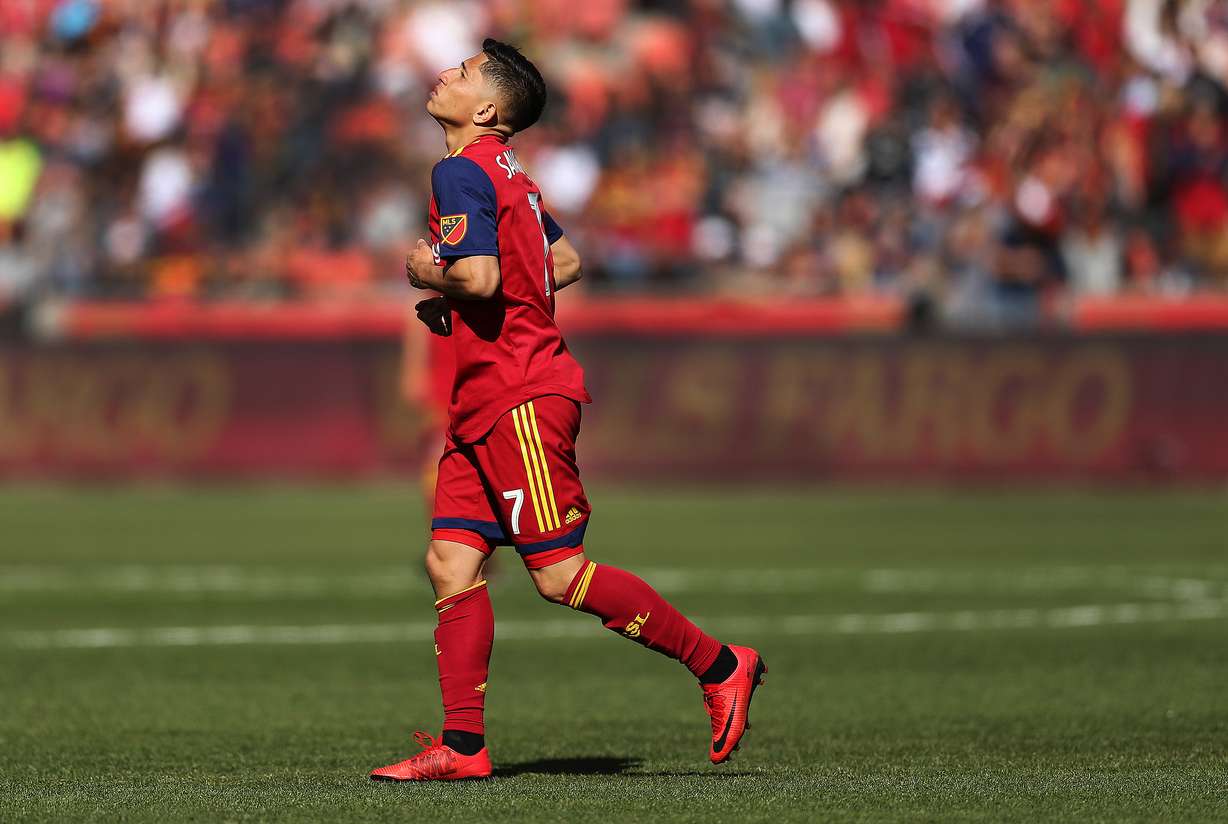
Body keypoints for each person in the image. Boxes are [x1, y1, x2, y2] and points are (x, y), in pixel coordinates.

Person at [370, 39, 765, 783]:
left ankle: (719, 665)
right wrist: (463, 307)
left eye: (460, 74)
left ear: (485, 109)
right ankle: (462, 748)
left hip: (519, 394)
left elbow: (480, 276)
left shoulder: (458, 170)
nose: (444, 75)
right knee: (451, 563)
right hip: (486, 397)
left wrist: (431, 272)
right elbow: (564, 262)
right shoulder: (510, 175)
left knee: (557, 576)